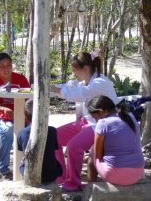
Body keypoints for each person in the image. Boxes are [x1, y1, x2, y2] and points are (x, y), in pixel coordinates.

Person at [50, 51, 118, 191]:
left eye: (75, 70)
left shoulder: (100, 83)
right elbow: (67, 87)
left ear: (85, 69)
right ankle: (61, 177)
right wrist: (47, 87)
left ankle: (73, 183)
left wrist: (53, 89)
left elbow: (79, 94)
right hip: (86, 122)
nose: (73, 74)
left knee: (73, 146)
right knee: (52, 137)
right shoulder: (85, 81)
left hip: (101, 125)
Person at [0, 52, 30, 179]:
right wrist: (2, 109)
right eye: (2, 66)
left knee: (34, 130)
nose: (6, 68)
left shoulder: (20, 79)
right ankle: (3, 170)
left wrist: (26, 114)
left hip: (22, 115)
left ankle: (29, 167)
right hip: (0, 116)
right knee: (8, 130)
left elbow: (30, 99)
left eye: (8, 65)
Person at [87, 95, 145, 186]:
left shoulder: (103, 123)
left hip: (115, 175)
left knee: (92, 152)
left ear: (102, 112)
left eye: (95, 117)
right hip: (138, 172)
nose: (95, 120)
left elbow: (98, 154)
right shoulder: (130, 116)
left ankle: (91, 189)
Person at [17, 99, 63, 184]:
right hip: (51, 174)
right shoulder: (52, 130)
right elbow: (54, 149)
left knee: (23, 161)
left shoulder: (22, 133)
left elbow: (21, 151)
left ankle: (25, 180)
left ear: (26, 116)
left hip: (30, 174)